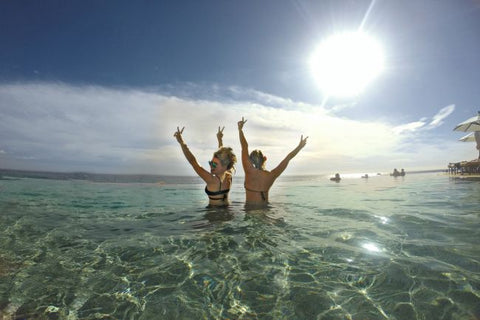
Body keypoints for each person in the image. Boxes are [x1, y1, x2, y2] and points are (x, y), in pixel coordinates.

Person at [237, 117, 308, 205]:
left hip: (250, 211)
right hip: (265, 211)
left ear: (250, 161)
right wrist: (299, 147)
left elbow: (244, 146)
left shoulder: (248, 170)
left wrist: (240, 129)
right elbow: (289, 157)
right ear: (265, 159)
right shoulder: (271, 175)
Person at [174, 126, 237, 206]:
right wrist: (220, 139)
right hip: (227, 212)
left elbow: (193, 162)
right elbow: (224, 158)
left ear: (224, 166)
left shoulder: (212, 180)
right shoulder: (229, 175)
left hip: (214, 215)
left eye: (215, 164)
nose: (211, 166)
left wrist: (181, 142)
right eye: (211, 163)